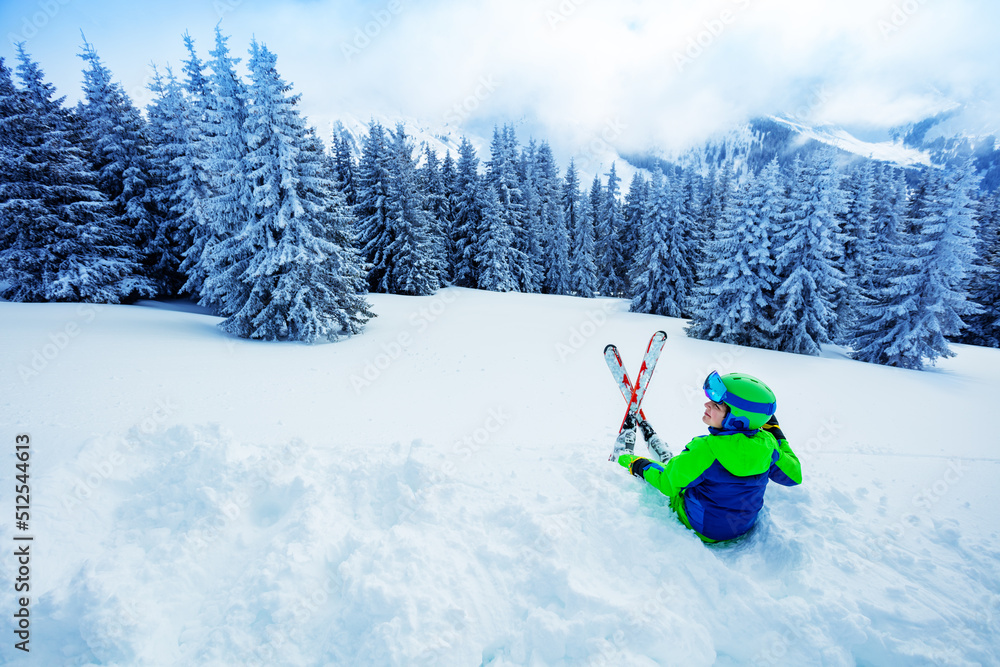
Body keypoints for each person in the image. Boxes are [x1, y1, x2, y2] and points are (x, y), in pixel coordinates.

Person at [613, 371, 802, 543]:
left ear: (737, 420)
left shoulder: (705, 450)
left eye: (716, 405)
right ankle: (678, 466)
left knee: (675, 479)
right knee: (693, 471)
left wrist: (636, 463)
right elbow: (794, 476)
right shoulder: (769, 446)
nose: (706, 405)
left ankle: (664, 464)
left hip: (703, 528)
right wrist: (777, 434)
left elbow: (667, 485)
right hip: (742, 526)